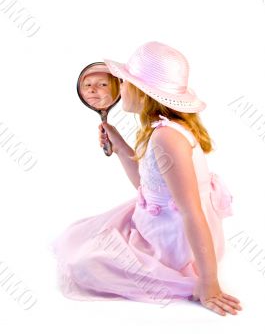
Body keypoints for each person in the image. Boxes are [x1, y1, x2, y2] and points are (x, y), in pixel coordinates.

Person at [51, 41, 242, 316]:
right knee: (79, 234)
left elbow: (192, 212)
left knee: (84, 263)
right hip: (164, 222)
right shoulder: (163, 130)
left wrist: (208, 281)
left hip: (175, 243)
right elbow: (148, 186)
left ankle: (185, 268)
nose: (120, 87)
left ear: (144, 92)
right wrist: (119, 147)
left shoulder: (167, 138)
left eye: (126, 82)